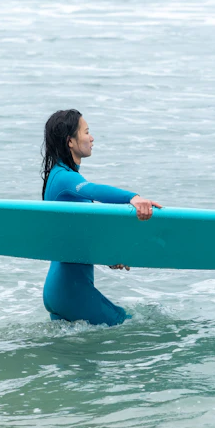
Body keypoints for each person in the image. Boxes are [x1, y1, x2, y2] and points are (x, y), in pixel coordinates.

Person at [40, 109, 162, 326]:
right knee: (132, 329)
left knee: (73, 358)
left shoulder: (60, 176)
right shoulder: (64, 178)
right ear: (70, 141)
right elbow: (93, 190)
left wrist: (107, 255)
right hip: (71, 290)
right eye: (86, 132)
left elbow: (77, 237)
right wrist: (132, 198)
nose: (92, 137)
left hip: (60, 289)